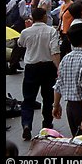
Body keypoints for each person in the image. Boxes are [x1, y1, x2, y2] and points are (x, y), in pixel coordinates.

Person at [52, 23, 82, 153]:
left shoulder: (65, 59)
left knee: (77, 146)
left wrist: (56, 105)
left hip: (71, 109)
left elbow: (59, 84)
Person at [17, 8, 60, 141]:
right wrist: (58, 68)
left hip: (31, 67)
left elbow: (20, 43)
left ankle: (26, 124)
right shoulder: (51, 31)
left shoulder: (26, 32)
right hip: (48, 66)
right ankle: (47, 124)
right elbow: (55, 51)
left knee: (28, 98)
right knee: (48, 97)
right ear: (43, 17)